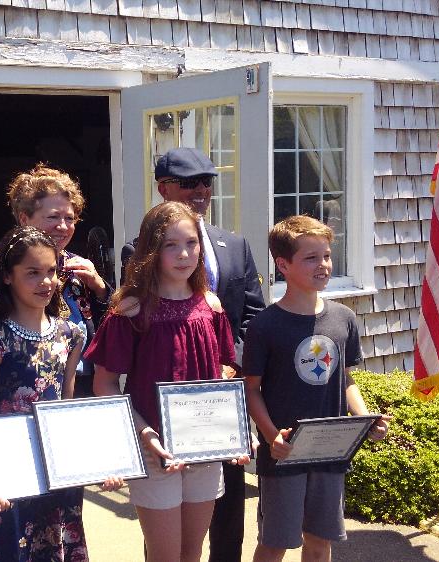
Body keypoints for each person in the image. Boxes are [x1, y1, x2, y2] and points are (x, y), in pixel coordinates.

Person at [122, 147, 265, 562]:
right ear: (163, 188)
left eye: (207, 182)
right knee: (169, 537)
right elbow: (138, 335)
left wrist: (226, 366)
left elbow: (251, 314)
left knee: (227, 510)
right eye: (189, 183)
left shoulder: (234, 244)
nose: (201, 191)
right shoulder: (142, 250)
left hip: (219, 403)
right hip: (163, 419)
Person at [86, 201, 251, 562]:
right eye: (170, 245)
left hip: (204, 450)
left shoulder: (212, 306)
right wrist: (144, 434)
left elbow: (225, 369)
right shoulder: (131, 309)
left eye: (191, 243)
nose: (183, 254)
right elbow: (105, 384)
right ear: (151, 250)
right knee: (165, 556)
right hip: (155, 449)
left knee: (192, 552)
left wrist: (234, 427)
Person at [243, 215, 390, 562]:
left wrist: (364, 416)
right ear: (283, 264)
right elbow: (251, 390)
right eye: (311, 258)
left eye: (326, 256)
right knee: (276, 541)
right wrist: (269, 436)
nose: (323, 265)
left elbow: (346, 379)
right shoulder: (265, 325)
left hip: (330, 451)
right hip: (285, 453)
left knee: (321, 541)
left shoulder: (343, 319)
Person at [0, 226, 91, 561]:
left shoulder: (71, 334)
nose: (45, 282)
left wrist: (94, 464)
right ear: (7, 277)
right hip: (8, 475)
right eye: (32, 273)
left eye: (51, 272)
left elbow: (67, 407)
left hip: (55, 472)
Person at [0, 164, 110, 403]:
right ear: (24, 218)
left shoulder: (81, 267)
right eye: (53, 217)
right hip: (14, 390)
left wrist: (100, 289)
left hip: (79, 387)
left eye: (69, 218)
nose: (62, 226)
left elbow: (111, 328)